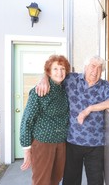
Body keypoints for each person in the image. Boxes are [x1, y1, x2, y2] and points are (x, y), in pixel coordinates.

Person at [36, 55, 109, 185]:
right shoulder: (71, 79)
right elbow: (54, 75)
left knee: (96, 181)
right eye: (92, 66)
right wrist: (44, 79)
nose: (95, 71)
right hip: (72, 142)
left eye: (99, 68)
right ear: (85, 67)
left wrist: (89, 109)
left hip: (95, 144)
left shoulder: (104, 86)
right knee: (70, 181)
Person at [20, 55, 71, 185]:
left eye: (62, 68)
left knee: (55, 179)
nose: (59, 72)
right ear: (48, 72)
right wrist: (27, 150)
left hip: (60, 143)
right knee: (42, 181)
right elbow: (27, 120)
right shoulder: (40, 90)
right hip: (43, 143)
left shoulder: (63, 89)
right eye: (55, 69)